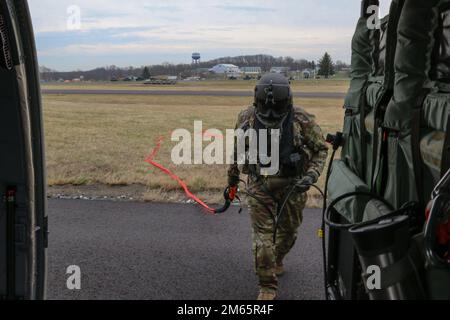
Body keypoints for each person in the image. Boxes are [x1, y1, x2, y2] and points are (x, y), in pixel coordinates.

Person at [227, 73, 328, 300]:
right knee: (263, 239)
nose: (271, 112)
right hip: (259, 185)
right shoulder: (245, 118)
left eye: (278, 106)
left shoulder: (302, 119)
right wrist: (231, 180)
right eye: (266, 106)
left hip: (293, 186)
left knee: (289, 233)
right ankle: (267, 286)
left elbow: (321, 149)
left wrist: (311, 175)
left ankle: (277, 259)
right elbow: (237, 150)